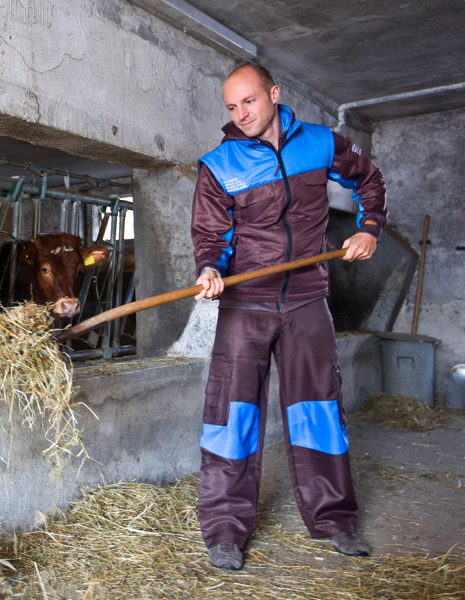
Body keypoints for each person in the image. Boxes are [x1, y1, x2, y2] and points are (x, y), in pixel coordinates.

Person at [190, 64, 387, 570]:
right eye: (232, 108)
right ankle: (225, 530)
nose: (242, 115)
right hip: (245, 303)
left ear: (274, 94)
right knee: (231, 419)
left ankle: (334, 520)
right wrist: (210, 267)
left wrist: (369, 227)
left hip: (306, 299)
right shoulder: (218, 164)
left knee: (317, 413)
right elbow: (210, 235)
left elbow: (369, 178)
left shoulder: (320, 143)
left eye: (250, 102)